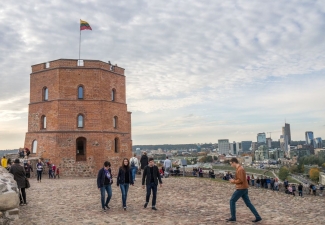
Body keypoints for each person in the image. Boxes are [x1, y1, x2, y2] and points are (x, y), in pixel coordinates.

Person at [226, 158, 262, 223]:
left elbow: (240, 180)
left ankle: (233, 217)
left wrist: (233, 181)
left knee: (232, 200)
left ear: (234, 162)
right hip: (244, 188)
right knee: (248, 203)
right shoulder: (240, 169)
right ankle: (258, 217)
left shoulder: (240, 169)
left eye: (231, 164)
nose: (231, 165)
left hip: (241, 188)